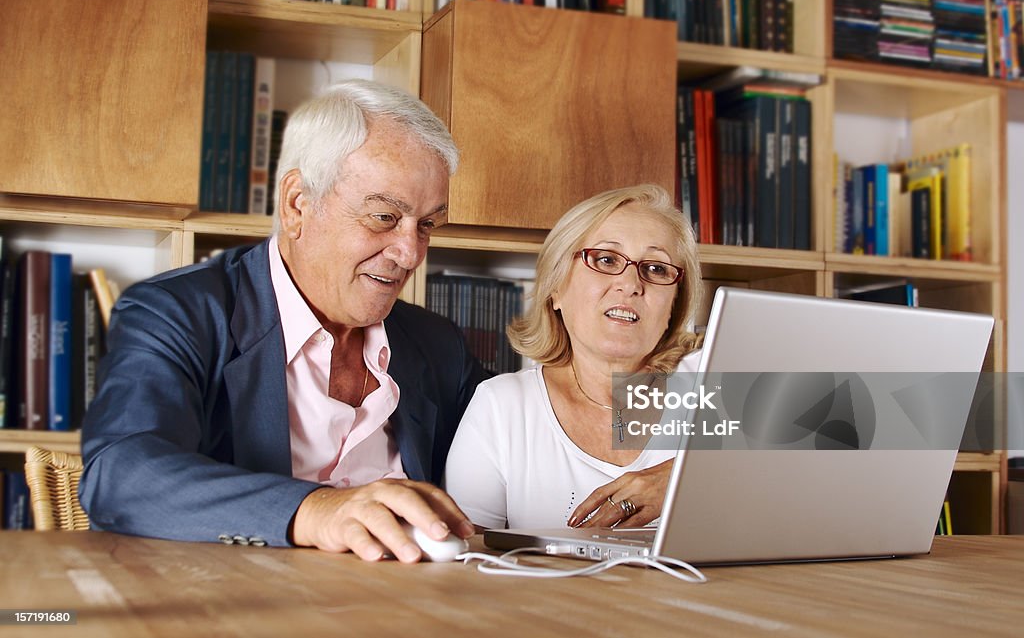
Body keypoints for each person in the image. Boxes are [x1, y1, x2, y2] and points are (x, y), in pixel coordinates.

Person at [79, 80, 486, 562]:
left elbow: (530, 426)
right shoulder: (175, 312)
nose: (411, 253)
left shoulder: (436, 343)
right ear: (298, 204)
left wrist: (605, 423)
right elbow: (122, 474)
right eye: (383, 217)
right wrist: (313, 511)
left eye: (427, 225)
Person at [444, 184, 703, 530]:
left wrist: (681, 481)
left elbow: (796, 487)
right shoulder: (502, 405)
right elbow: (465, 559)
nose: (631, 284)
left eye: (656, 269)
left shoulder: (711, 392)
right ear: (556, 288)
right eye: (606, 259)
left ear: (674, 305)